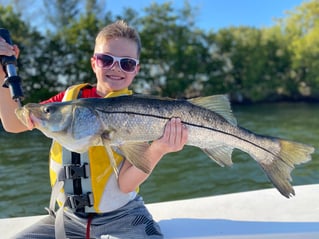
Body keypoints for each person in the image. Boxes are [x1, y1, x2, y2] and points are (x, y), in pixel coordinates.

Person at [0, 20, 188, 239]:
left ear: (136, 69)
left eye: (126, 63)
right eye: (106, 59)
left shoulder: (140, 111)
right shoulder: (66, 100)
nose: (115, 68)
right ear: (93, 63)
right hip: (67, 218)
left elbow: (126, 185)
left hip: (125, 217)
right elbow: (13, 124)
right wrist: (2, 73)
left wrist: (159, 148)